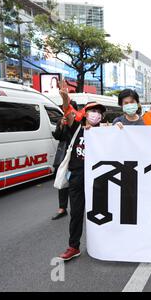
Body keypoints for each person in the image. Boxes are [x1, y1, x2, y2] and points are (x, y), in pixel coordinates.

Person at [57, 81, 107, 261]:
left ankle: (108, 245)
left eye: (99, 112)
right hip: (78, 177)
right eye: (93, 111)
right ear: (85, 113)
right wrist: (64, 97)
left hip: (100, 178)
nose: (96, 114)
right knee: (77, 213)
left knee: (103, 213)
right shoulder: (76, 127)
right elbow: (68, 112)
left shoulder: (105, 132)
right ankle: (73, 246)